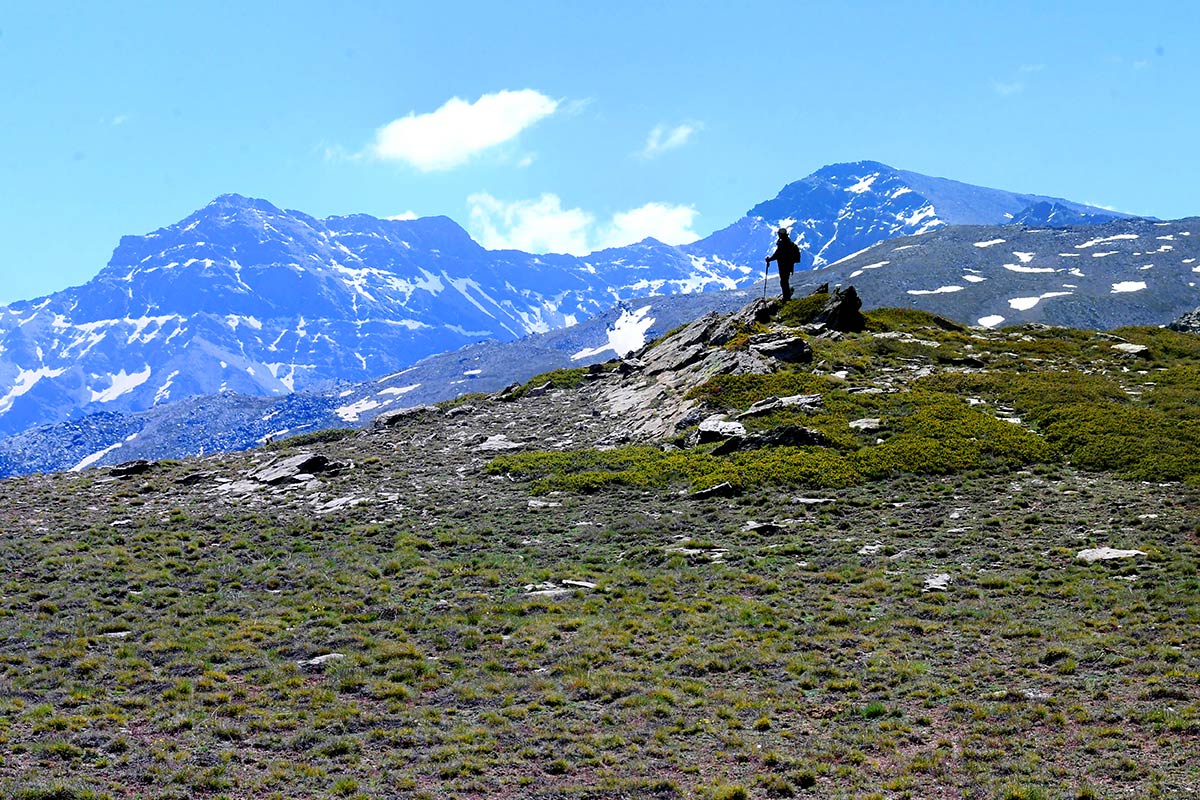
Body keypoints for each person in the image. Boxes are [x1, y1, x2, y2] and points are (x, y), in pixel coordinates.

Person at [765, 228, 802, 301]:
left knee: (783, 281)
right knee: (785, 281)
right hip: (788, 265)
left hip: (783, 266)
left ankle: (786, 297)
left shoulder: (783, 244)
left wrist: (769, 259)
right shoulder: (788, 243)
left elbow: (777, 254)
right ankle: (787, 296)